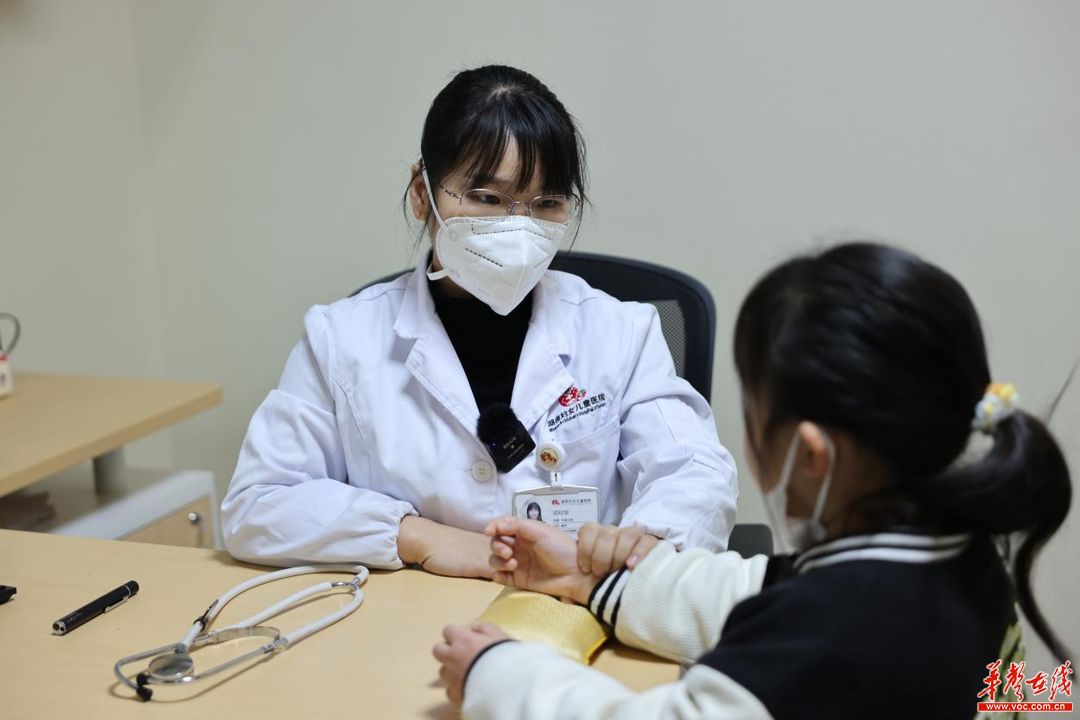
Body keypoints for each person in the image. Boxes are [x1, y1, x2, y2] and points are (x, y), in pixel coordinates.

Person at [433, 242, 1074, 719]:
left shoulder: (831, 634)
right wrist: (592, 583)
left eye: (756, 413)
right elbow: (760, 593)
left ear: (811, 456)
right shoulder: (961, 556)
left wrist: (498, 674)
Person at [221, 65, 738, 578]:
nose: (519, 227)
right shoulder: (341, 338)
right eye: (488, 198)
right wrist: (420, 537)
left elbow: (696, 472)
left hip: (571, 604)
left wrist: (644, 544)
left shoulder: (622, 332)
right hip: (411, 611)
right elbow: (258, 504)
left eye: (547, 202)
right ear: (422, 193)